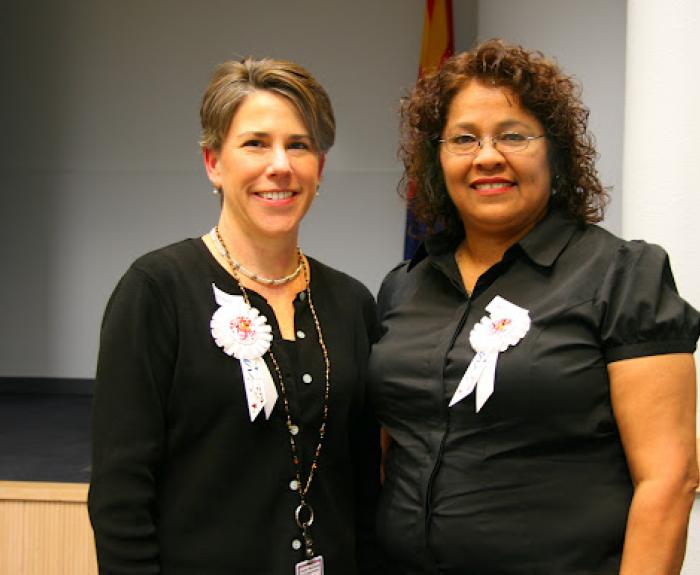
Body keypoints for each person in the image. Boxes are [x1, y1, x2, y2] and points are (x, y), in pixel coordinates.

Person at [369, 39, 700, 575]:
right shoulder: (403, 287)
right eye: (463, 139)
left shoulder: (622, 276)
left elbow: (669, 479)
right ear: (439, 158)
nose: (487, 156)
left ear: (555, 151)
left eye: (513, 135)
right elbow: (390, 454)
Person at [89, 57, 380, 574]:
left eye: (299, 145)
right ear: (213, 162)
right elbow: (121, 492)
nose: (280, 165)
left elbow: (362, 484)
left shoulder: (351, 303)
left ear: (321, 167)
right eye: (255, 143)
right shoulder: (157, 291)